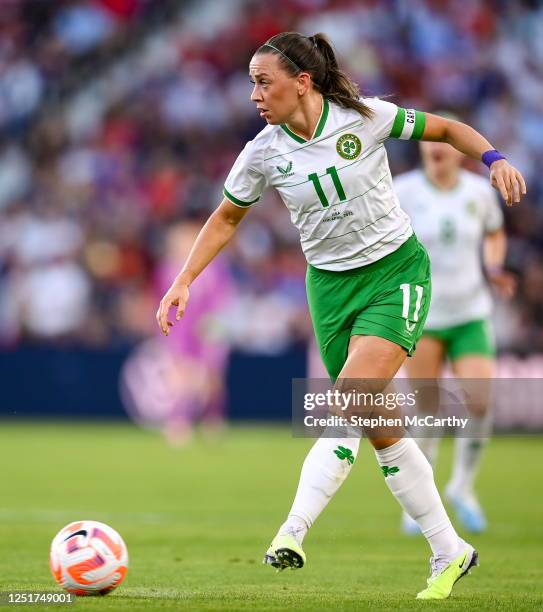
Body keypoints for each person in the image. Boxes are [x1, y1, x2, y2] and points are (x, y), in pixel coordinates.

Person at [156, 32, 526, 599]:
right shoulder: (263, 152)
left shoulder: (366, 117)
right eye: (251, 82)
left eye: (263, 81)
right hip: (329, 290)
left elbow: (447, 129)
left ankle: (292, 530)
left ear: (301, 82)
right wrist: (184, 279)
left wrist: (494, 158)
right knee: (380, 429)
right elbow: (227, 218)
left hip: (395, 273)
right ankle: (450, 550)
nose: (254, 94)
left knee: (350, 395)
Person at [394, 126, 516, 534]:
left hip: (469, 311)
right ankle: (421, 502)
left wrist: (494, 267)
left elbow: (495, 233)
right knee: (426, 411)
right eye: (428, 143)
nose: (433, 149)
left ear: (458, 152)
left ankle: (463, 487)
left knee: (479, 401)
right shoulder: (402, 190)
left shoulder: (478, 193)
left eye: (442, 143)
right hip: (422, 314)